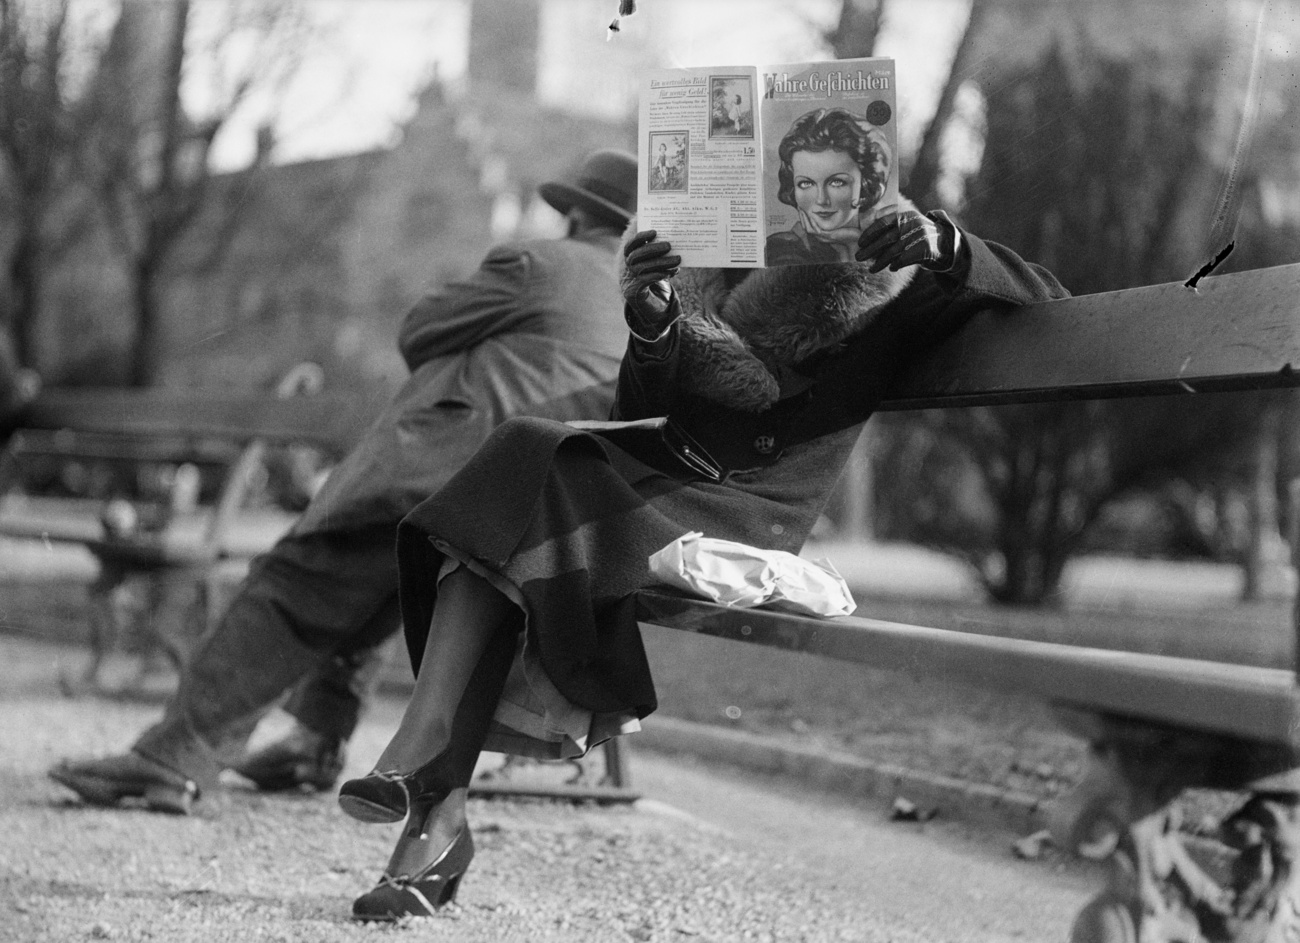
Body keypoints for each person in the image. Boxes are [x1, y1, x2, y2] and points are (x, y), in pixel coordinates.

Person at [333, 201, 1068, 920]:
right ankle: (432, 796)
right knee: (521, 475)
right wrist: (652, 320)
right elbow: (640, 409)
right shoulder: (712, 257)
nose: (807, 195)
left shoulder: (893, 263)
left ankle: (430, 785)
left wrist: (943, 242)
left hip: (749, 506)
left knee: (528, 485)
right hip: (667, 477)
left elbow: (1047, 295)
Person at [47, 149, 639, 814]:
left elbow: (420, 328)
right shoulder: (643, 305)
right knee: (384, 580)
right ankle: (317, 740)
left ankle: (171, 756)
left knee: (298, 581)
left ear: (579, 214)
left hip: (450, 471)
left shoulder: (536, 264)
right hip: (540, 513)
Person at [765, 107, 893, 266]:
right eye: (806, 183)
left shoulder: (892, 238)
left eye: (837, 182)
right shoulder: (781, 249)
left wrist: (854, 246)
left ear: (866, 183)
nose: (821, 200)